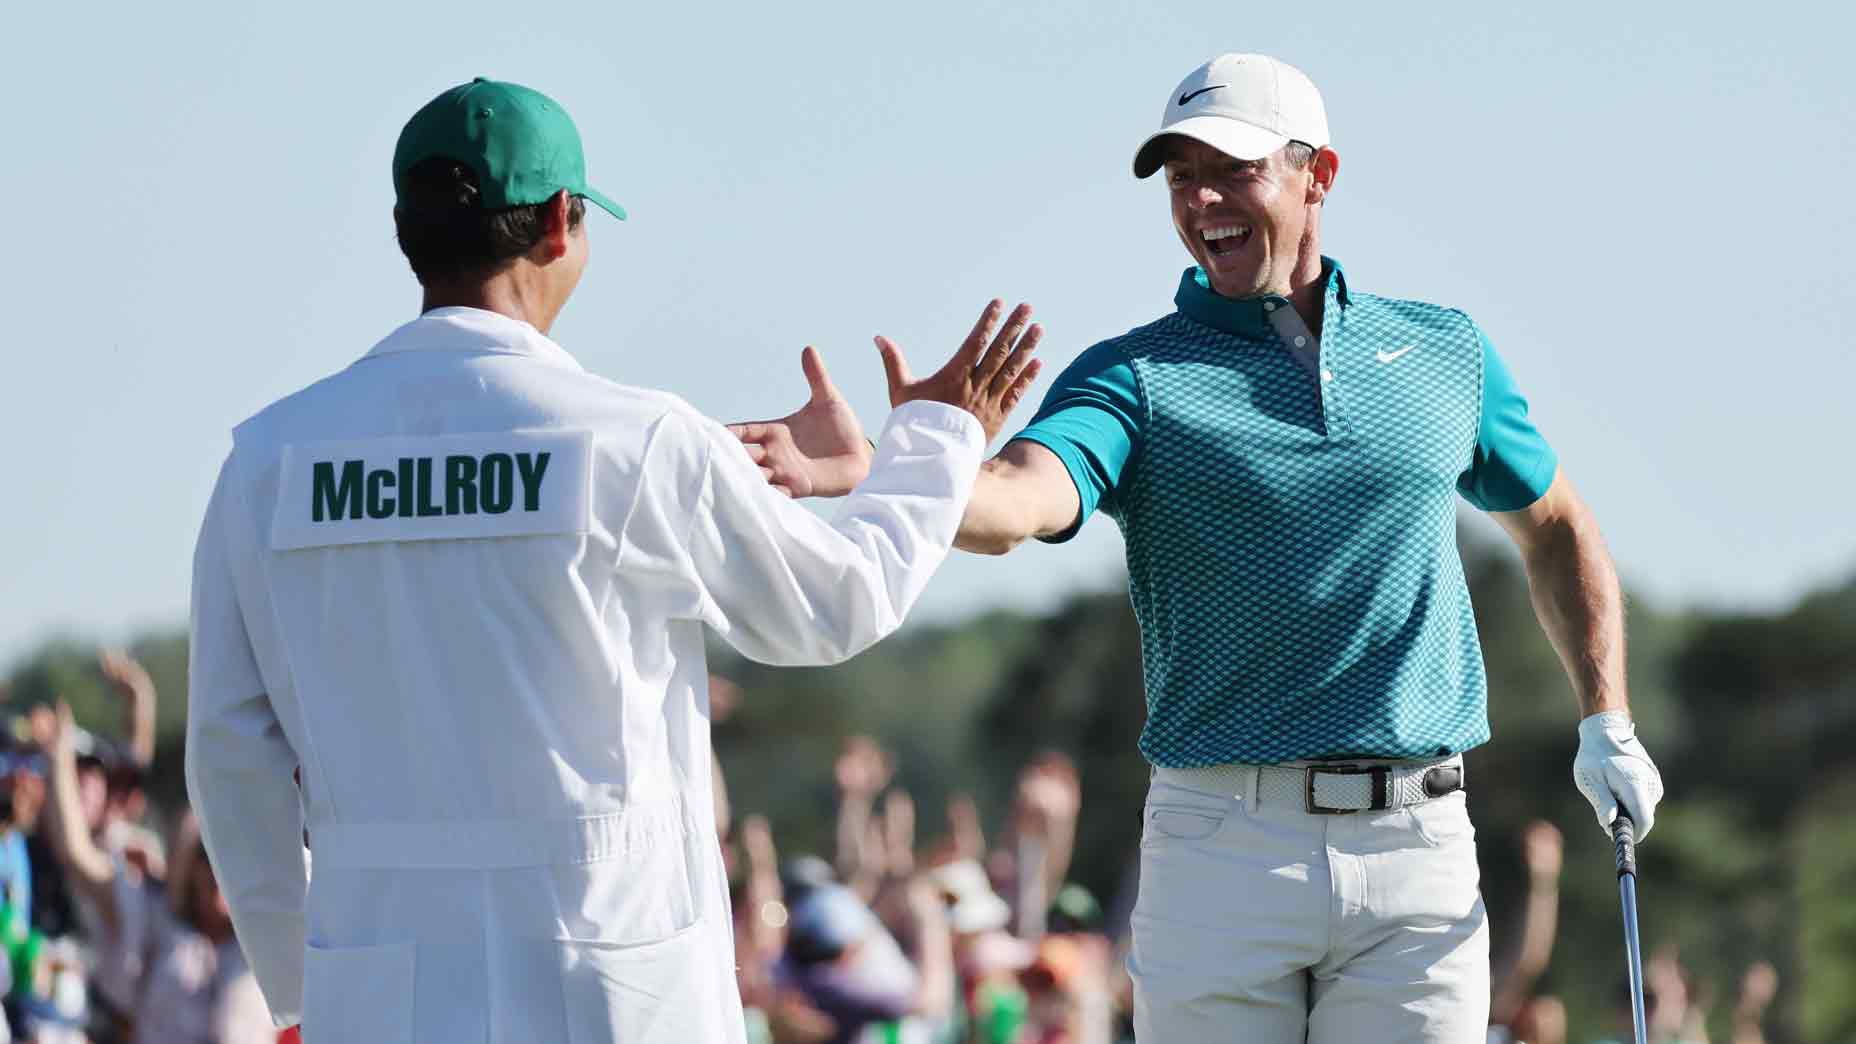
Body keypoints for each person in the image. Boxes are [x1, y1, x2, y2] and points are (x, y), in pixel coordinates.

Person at [736, 52, 1667, 1042]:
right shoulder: (1135, 376)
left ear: (1318, 175)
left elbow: (1556, 524)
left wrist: (1605, 717)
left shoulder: (1443, 353)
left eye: (1233, 170)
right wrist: (896, 468)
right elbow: (1021, 500)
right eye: (1181, 177)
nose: (1202, 200)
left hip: (1417, 844)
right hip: (1222, 852)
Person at [184, 77, 1042, 1043]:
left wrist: (305, 986)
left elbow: (230, 753)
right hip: (612, 985)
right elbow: (841, 601)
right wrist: (934, 439)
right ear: (562, 222)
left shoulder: (267, 462)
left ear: (405, 228)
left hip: (379, 997)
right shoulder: (637, 441)